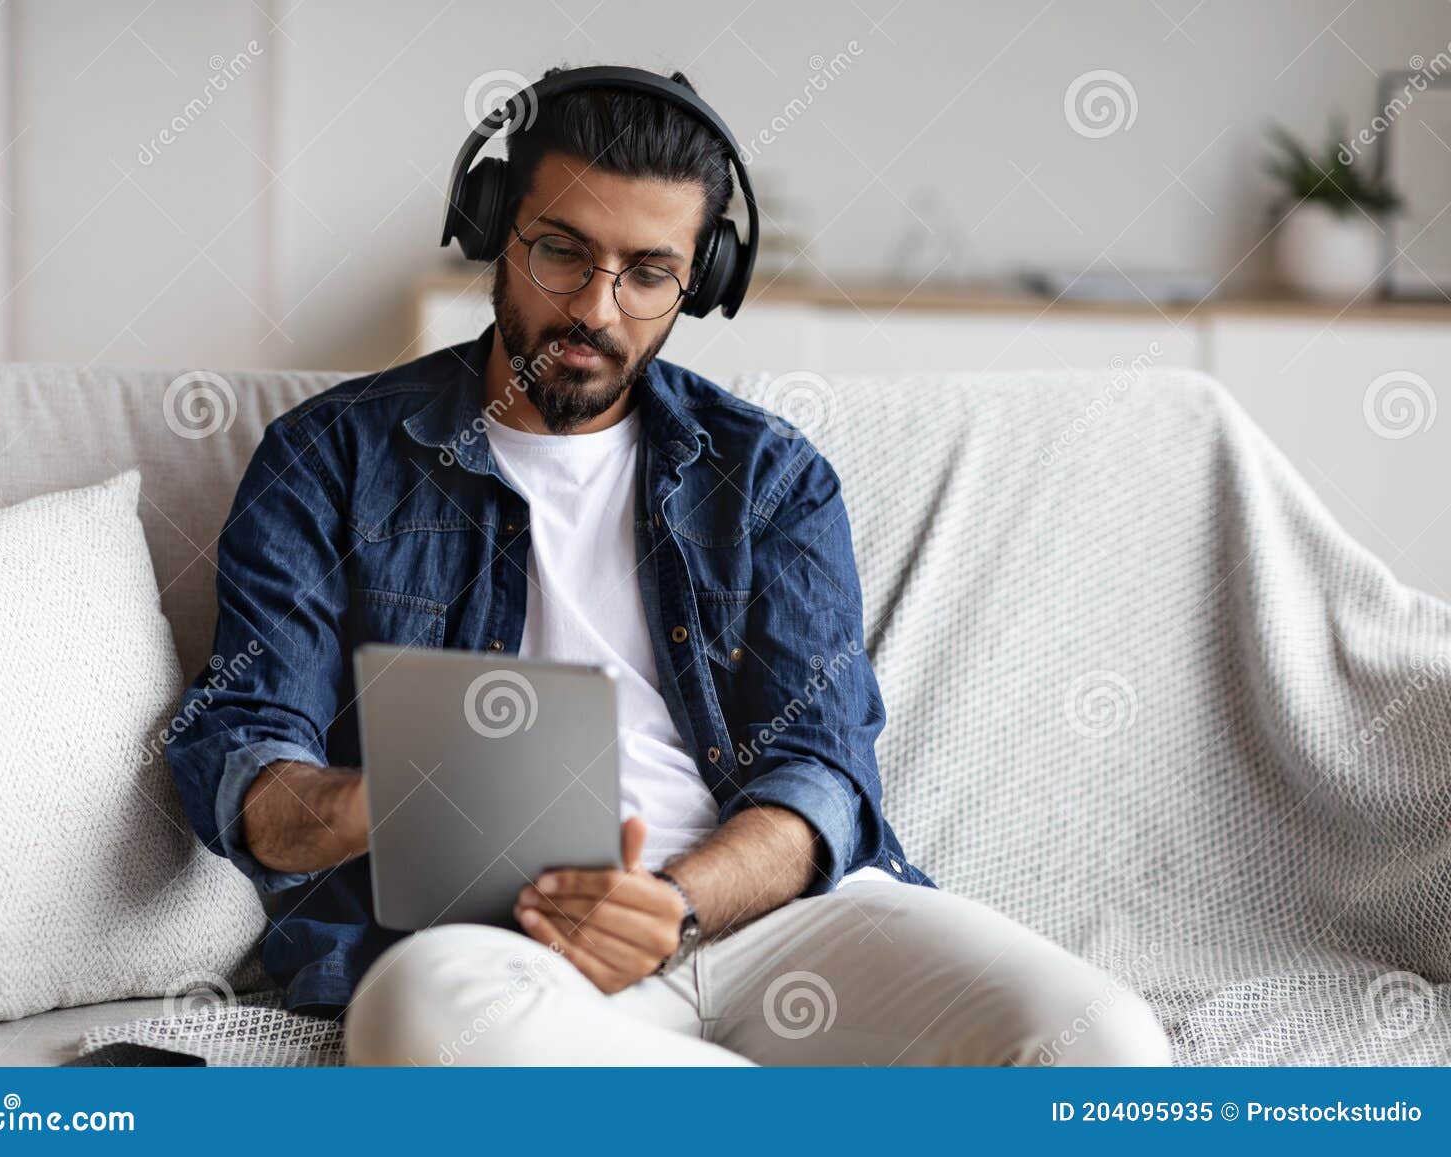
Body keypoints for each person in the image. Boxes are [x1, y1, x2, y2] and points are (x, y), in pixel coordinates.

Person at [166, 64, 1171, 1066]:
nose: (597, 311)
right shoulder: (328, 457)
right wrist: (379, 799)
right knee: (414, 1018)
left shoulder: (771, 478)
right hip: (501, 948)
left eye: (648, 273)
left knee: (1106, 1044)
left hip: (764, 922)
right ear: (489, 230)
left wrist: (675, 904)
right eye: (560, 251)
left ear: (704, 279)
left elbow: (819, 771)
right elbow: (247, 754)